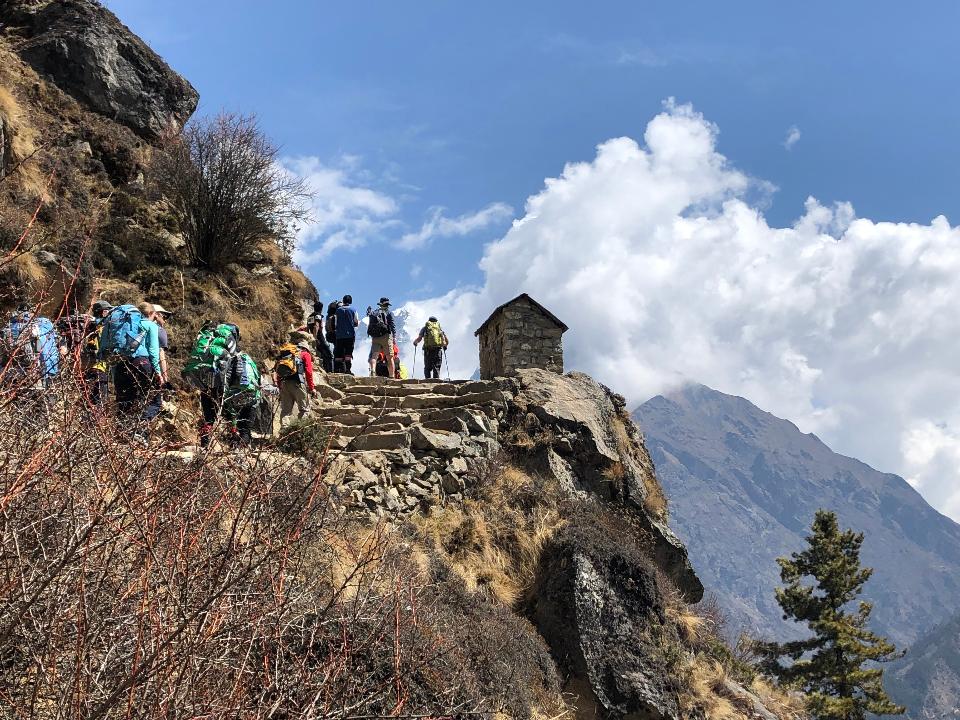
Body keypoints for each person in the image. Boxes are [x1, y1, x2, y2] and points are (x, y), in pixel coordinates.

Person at [109, 302, 163, 432]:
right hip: (141, 363)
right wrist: (158, 372)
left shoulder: (126, 325)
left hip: (121, 363)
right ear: (150, 314)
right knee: (153, 400)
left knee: (124, 399)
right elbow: (154, 351)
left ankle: (121, 432)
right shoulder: (150, 325)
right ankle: (139, 431)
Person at [0, 304, 60, 390]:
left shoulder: (6, 329)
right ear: (31, 313)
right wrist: (47, 374)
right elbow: (42, 352)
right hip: (31, 374)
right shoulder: (36, 327)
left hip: (8, 374)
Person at [275, 331, 315, 426]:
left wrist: (280, 387)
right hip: (298, 383)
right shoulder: (305, 354)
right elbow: (309, 372)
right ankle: (299, 432)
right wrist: (312, 388)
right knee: (304, 409)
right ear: (306, 348)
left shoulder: (287, 354)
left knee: (286, 411)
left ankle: (284, 431)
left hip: (285, 384)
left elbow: (278, 372)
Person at [366, 297, 396, 379]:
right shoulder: (389, 313)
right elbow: (392, 326)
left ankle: (373, 371)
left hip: (375, 337)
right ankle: (392, 376)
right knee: (389, 358)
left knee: (374, 356)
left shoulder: (374, 312)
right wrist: (394, 337)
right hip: (386, 337)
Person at [413, 315, 448, 379]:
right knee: (436, 367)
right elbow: (444, 340)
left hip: (428, 350)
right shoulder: (439, 329)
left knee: (427, 367)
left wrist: (415, 342)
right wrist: (445, 346)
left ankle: (427, 381)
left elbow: (419, 338)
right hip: (437, 350)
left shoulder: (425, 328)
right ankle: (436, 382)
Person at [333, 295, 359, 374]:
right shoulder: (353, 310)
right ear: (350, 301)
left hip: (339, 335)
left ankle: (337, 369)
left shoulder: (337, 310)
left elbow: (335, 323)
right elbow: (356, 323)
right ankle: (348, 370)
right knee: (348, 353)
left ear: (343, 301)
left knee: (339, 352)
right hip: (350, 335)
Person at [306, 301, 334, 373]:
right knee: (328, 354)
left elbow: (308, 328)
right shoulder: (318, 315)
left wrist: (311, 337)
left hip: (312, 335)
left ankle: (325, 370)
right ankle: (329, 371)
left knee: (322, 354)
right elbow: (316, 326)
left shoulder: (309, 317)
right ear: (321, 309)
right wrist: (315, 338)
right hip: (319, 337)